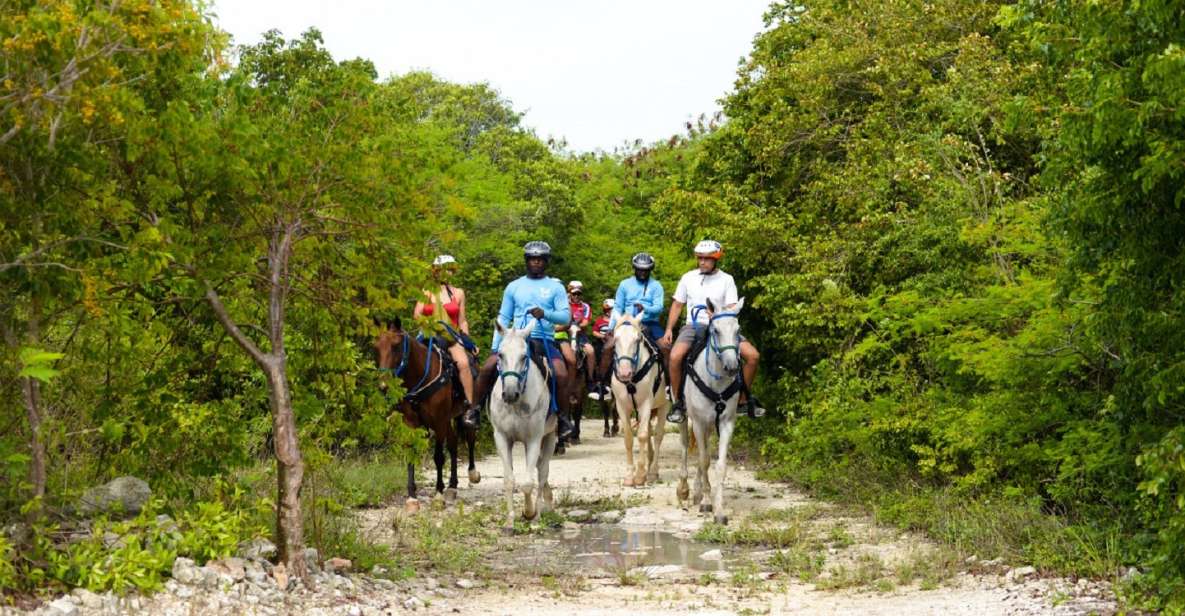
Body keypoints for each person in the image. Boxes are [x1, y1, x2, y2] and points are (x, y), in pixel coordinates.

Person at [467, 241, 574, 438]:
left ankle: (563, 418)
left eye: (540, 260)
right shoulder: (513, 286)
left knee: (560, 373)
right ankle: (475, 410)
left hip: (544, 340)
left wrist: (545, 313)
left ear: (546, 262)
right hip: (514, 340)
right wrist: (495, 348)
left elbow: (565, 317)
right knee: (487, 368)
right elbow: (503, 318)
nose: (536, 263)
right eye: (532, 259)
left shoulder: (555, 287)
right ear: (527, 261)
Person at [661, 240, 764, 423]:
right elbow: (677, 305)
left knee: (753, 356)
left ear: (716, 260)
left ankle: (742, 400)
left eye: (707, 259)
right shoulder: (688, 277)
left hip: (722, 326)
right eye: (700, 258)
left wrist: (717, 313)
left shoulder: (726, 279)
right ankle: (678, 403)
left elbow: (732, 306)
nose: (702, 262)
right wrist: (669, 329)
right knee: (675, 357)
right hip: (693, 325)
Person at [412, 254, 477, 412]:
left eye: (450, 270)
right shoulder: (427, 291)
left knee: (463, 363)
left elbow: (462, 321)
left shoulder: (458, 293)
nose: (447, 273)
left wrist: (467, 339)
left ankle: (470, 407)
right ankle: (407, 400)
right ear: (436, 271)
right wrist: (432, 325)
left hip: (451, 337)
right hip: (429, 335)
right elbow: (417, 314)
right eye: (443, 270)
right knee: (409, 358)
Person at [597, 252, 669, 388]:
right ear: (634, 268)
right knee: (607, 348)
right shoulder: (624, 284)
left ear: (650, 270)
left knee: (665, 348)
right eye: (639, 269)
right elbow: (618, 307)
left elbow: (659, 308)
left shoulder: (656, 285)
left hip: (650, 323)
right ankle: (602, 385)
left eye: (646, 270)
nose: (642, 272)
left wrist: (645, 308)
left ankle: (668, 386)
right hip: (627, 323)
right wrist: (611, 328)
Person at [556, 281, 596, 391]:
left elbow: (585, 322)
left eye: (579, 294)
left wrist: (577, 325)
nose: (576, 296)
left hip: (580, 334)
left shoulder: (585, 306)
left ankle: (590, 379)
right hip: (564, 333)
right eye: (574, 294)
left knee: (591, 351)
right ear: (569, 293)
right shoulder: (563, 305)